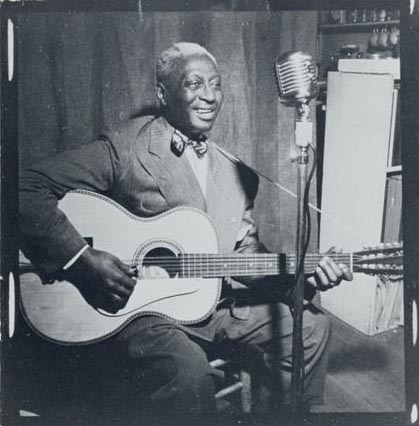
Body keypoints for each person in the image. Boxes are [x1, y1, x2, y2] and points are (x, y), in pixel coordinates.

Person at [19, 42, 353, 424]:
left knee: (311, 328)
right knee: (189, 374)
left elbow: (243, 254)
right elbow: (22, 189)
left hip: (213, 306)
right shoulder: (127, 147)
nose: (210, 96)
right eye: (195, 84)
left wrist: (304, 271)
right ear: (164, 94)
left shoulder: (234, 173)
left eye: (216, 84)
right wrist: (82, 261)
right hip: (141, 313)